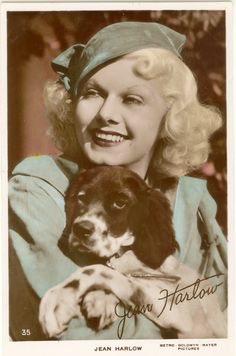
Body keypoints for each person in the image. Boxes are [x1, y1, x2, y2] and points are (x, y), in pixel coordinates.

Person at [9, 21, 227, 341]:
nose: (106, 113)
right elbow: (79, 336)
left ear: (169, 116)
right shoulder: (34, 190)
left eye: (132, 99)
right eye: (92, 93)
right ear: (71, 106)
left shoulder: (192, 205)